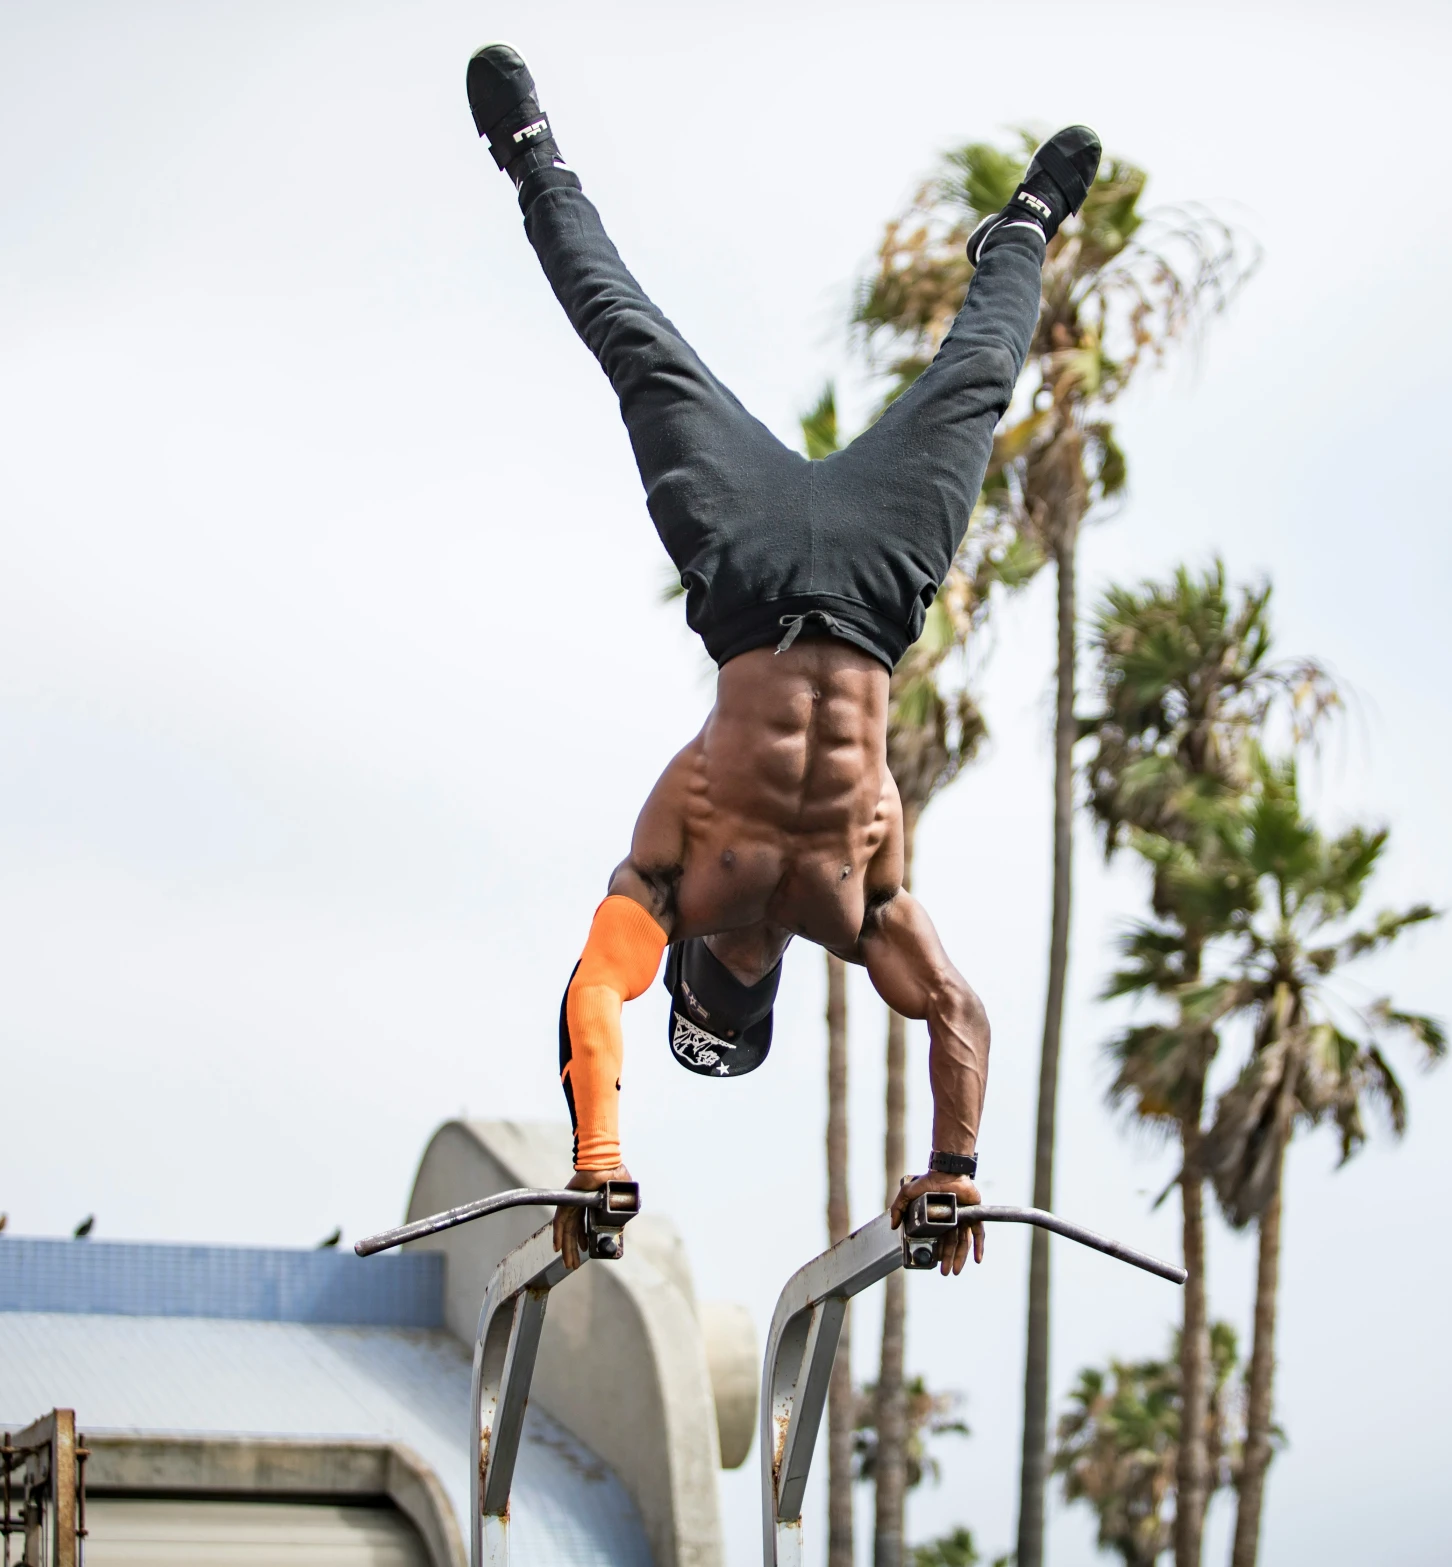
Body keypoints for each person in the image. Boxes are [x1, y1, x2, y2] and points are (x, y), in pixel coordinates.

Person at [464, 44, 1099, 1273]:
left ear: (701, 971)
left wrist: (597, 1155)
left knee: (634, 343)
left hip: (750, 573)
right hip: (872, 588)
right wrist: (954, 1168)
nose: (739, 970)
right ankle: (1023, 226)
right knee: (976, 385)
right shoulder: (854, 911)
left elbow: (595, 991)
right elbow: (957, 1011)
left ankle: (529, 154)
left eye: (718, 990)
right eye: (732, 998)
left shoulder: (678, 870)